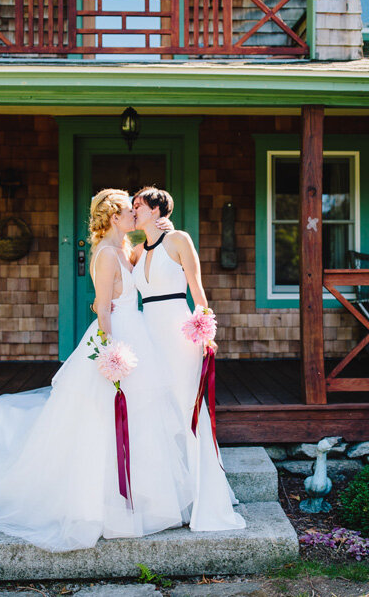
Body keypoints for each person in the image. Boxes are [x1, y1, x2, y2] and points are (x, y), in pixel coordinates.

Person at [0, 189, 192, 552]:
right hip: (117, 337)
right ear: (113, 217)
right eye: (128, 212)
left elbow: (154, 245)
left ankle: (145, 500)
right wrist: (110, 351)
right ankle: (107, 507)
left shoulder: (123, 247)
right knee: (105, 420)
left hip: (138, 335)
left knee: (141, 418)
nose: (135, 216)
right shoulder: (106, 255)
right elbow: (103, 308)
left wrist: (159, 225)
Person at [131, 186, 246, 532]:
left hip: (178, 333)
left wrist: (205, 328)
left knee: (185, 407)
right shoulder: (135, 251)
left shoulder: (178, 240)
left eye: (138, 206)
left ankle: (201, 497)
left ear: (156, 209)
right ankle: (167, 497)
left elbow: (197, 288)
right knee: (154, 408)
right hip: (146, 333)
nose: (134, 211)